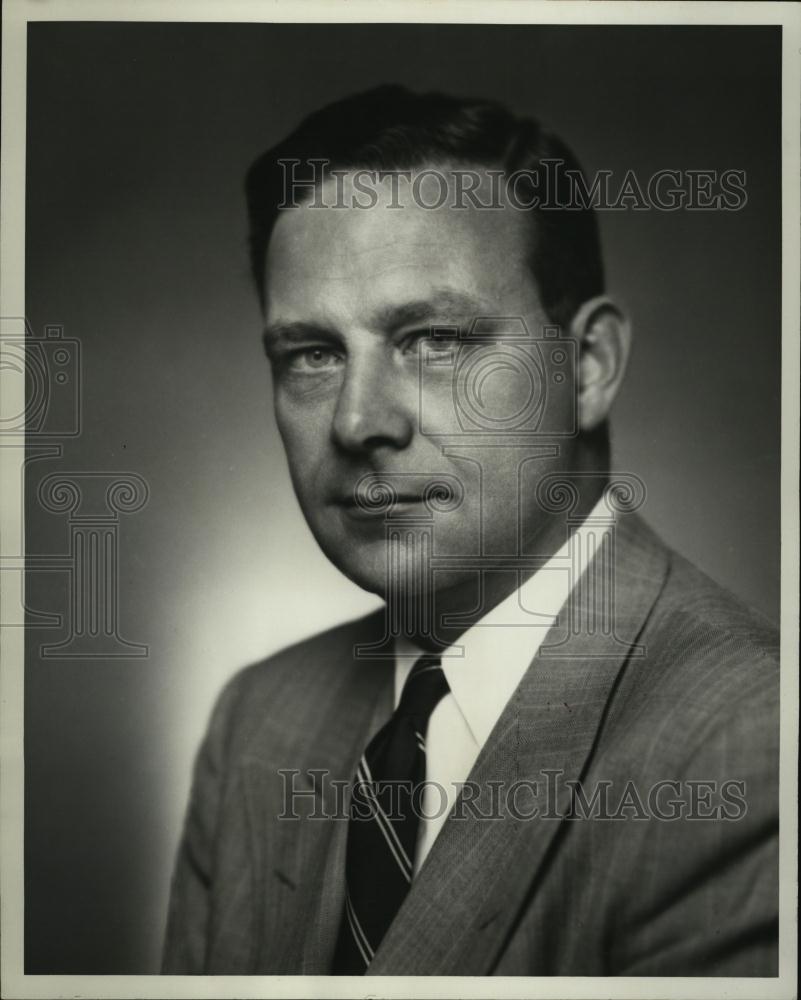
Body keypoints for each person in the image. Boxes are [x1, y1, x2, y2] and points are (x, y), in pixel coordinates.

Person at [162, 86, 779, 976]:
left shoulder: (751, 751)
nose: (357, 421)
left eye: (434, 338)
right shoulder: (259, 723)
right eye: (313, 354)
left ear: (589, 364)